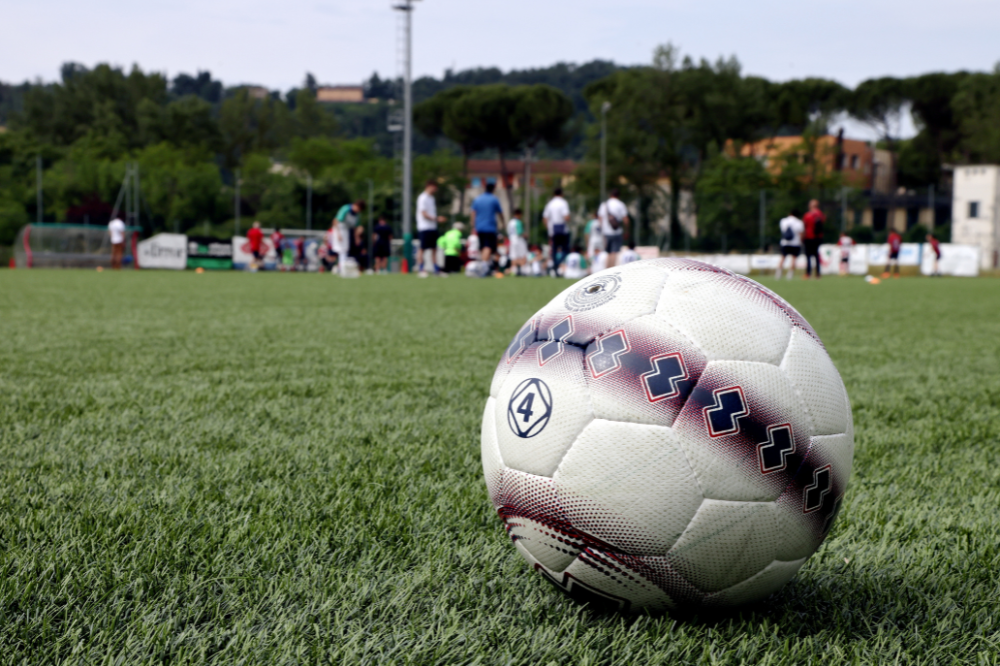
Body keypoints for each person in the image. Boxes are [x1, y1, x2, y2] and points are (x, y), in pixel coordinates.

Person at [470, 181, 504, 274]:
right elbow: (500, 213)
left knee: (483, 247)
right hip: (490, 227)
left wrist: (473, 225)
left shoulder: (478, 199)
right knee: (488, 247)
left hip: (479, 227)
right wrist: (503, 223)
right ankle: (483, 266)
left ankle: (486, 267)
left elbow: (473, 212)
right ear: (493, 189)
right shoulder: (494, 199)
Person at [416, 180, 447, 277]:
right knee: (422, 248)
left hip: (432, 227)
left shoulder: (432, 198)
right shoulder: (422, 197)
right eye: (434, 187)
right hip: (424, 227)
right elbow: (424, 214)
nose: (435, 189)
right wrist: (437, 219)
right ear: (429, 186)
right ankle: (421, 269)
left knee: (434, 249)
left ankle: (436, 270)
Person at [598, 188, 630, 267]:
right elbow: (626, 219)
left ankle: (606, 269)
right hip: (616, 232)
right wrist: (627, 231)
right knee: (614, 252)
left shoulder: (604, 205)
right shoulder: (620, 204)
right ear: (618, 196)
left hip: (606, 232)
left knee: (608, 252)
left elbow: (600, 219)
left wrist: (601, 230)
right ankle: (611, 269)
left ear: (610, 195)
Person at [543, 187, 571, 276]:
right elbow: (566, 217)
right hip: (562, 230)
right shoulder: (563, 203)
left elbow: (545, 218)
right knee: (565, 250)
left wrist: (548, 229)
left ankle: (555, 265)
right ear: (561, 194)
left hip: (553, 231)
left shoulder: (550, 204)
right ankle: (557, 264)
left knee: (554, 250)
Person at [776, 209, 804, 280]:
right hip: (795, 243)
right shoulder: (799, 222)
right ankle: (790, 275)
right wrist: (801, 242)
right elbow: (801, 234)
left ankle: (778, 274)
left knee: (783, 257)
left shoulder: (783, 221)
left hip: (785, 242)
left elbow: (783, 231)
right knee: (794, 259)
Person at [802, 199, 825, 279]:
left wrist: (802, 238)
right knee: (816, 255)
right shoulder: (820, 214)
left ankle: (808, 273)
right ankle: (818, 274)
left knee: (808, 256)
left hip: (809, 237)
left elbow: (804, 226)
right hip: (818, 238)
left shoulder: (807, 215)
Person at [507, 207, 528, 276]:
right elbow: (519, 232)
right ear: (519, 214)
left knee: (513, 256)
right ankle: (523, 270)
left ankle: (514, 271)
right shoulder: (518, 222)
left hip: (512, 241)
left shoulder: (510, 222)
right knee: (522, 256)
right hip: (519, 240)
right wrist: (525, 235)